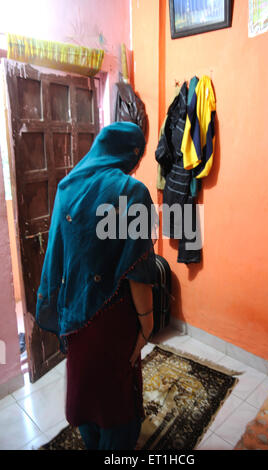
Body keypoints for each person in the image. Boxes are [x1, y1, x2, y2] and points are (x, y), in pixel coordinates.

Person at [36, 122, 157, 450]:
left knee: (86, 392)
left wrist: (61, 310)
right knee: (117, 402)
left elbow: (59, 256)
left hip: (75, 315)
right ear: (131, 153)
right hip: (113, 318)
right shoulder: (133, 193)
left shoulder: (67, 187)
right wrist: (147, 324)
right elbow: (138, 270)